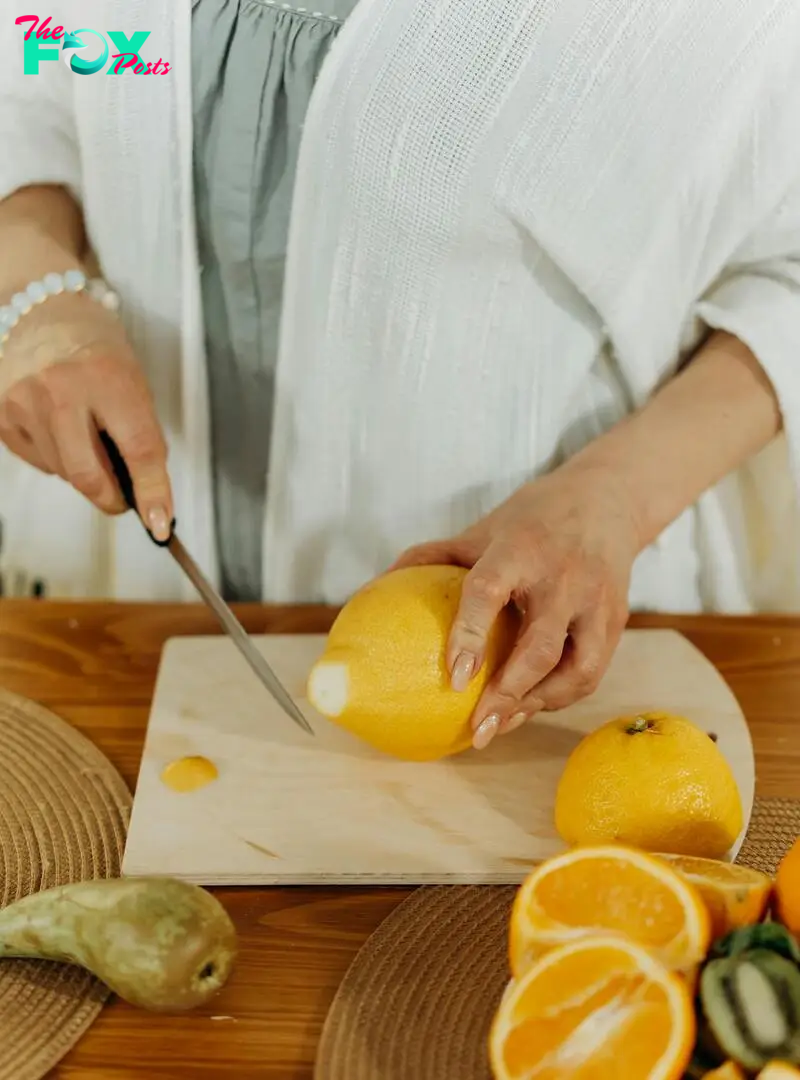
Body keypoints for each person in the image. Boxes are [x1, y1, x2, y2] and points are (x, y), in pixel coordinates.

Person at [1, 0, 799, 750]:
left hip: (543, 634)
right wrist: (34, 295)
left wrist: (619, 497)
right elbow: (31, 69)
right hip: (122, 617)